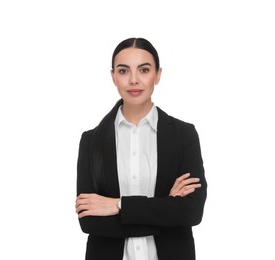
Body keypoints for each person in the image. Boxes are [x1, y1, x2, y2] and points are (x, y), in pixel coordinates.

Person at [76, 37, 207, 260]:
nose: (134, 80)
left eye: (144, 70)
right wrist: (165, 210)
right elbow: (89, 221)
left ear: (158, 75)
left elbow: (191, 212)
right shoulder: (91, 141)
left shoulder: (184, 135)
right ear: (113, 77)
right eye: (124, 71)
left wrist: (118, 205)